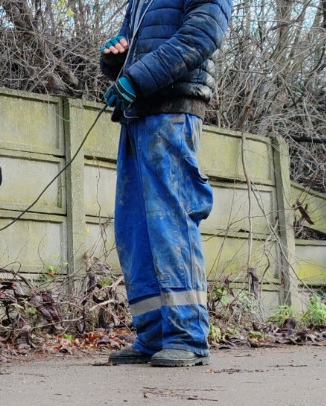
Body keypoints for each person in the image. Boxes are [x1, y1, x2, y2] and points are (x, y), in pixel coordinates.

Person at [100, 0, 232, 366]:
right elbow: (135, 50)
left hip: (173, 112)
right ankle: (154, 334)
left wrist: (135, 78)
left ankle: (187, 336)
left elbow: (201, 35)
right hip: (137, 112)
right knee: (135, 230)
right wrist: (116, 61)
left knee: (170, 222)